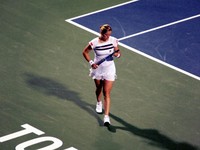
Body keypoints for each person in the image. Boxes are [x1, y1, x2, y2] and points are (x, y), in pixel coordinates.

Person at [82, 24, 121, 126]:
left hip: (109, 68)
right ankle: (98, 102)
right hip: (98, 68)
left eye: (109, 35)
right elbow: (85, 52)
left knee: (106, 92)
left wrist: (118, 54)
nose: (108, 37)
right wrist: (91, 63)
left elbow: (117, 51)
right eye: (106, 35)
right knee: (99, 87)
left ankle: (106, 117)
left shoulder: (113, 40)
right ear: (102, 33)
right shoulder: (94, 42)